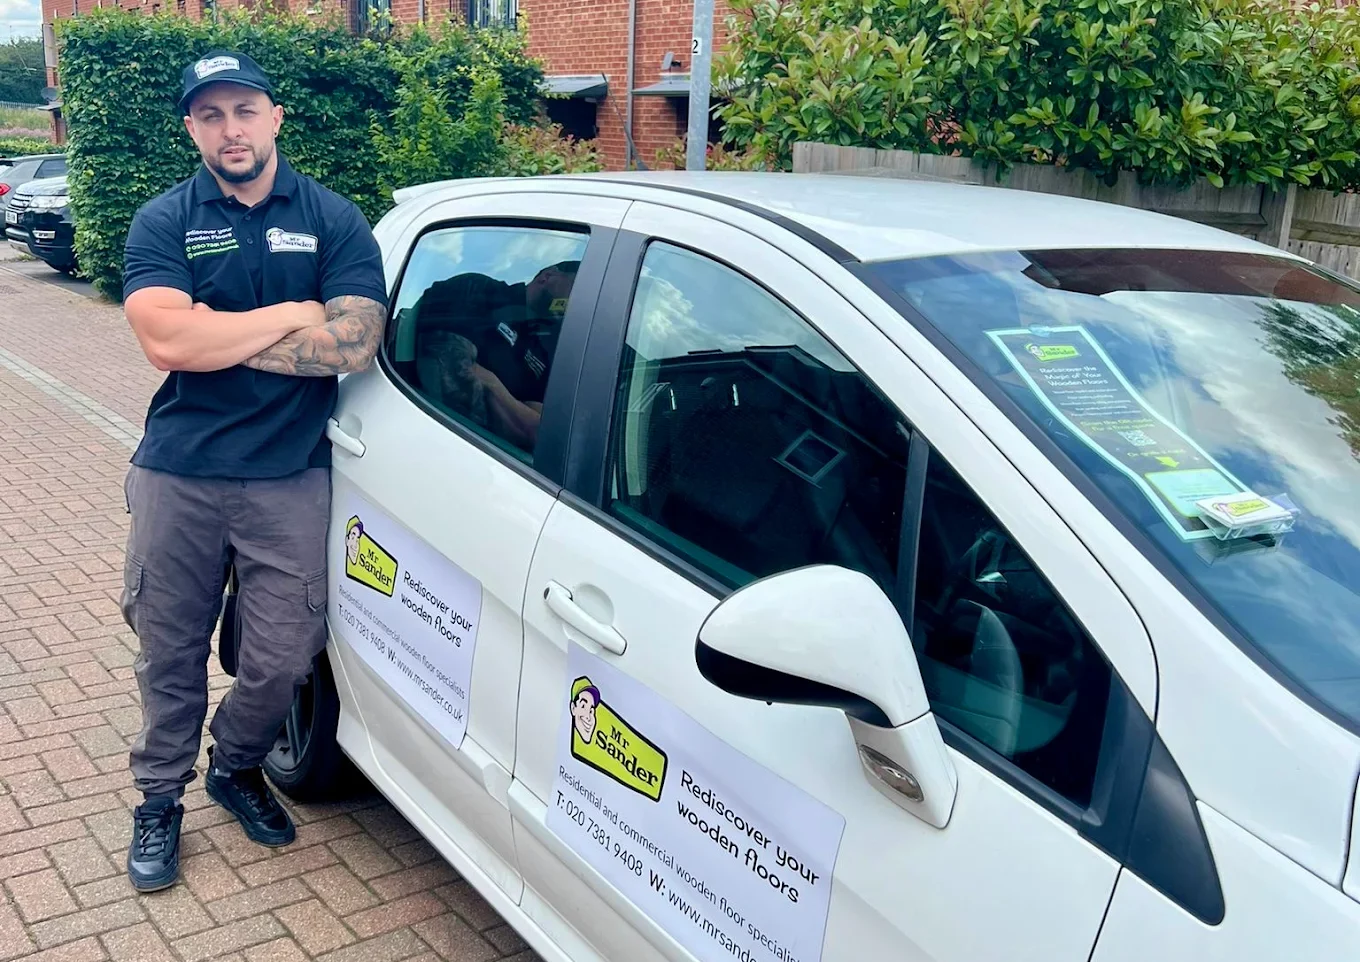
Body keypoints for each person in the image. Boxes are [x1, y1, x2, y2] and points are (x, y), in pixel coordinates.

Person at [118, 50, 389, 893]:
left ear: (275, 117)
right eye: (210, 115)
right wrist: (288, 314)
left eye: (243, 110)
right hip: (180, 470)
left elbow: (354, 343)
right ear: (192, 128)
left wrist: (217, 331)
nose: (229, 129)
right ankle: (159, 799)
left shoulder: (334, 219)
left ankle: (233, 764)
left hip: (289, 476)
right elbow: (167, 342)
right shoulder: (164, 220)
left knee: (282, 654)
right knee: (170, 649)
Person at [410, 260, 579, 451]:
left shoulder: (540, 347)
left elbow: (542, 431)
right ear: (547, 277)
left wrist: (489, 381)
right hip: (435, 441)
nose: (575, 302)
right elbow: (449, 377)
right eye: (575, 289)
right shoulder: (477, 291)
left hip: (503, 463)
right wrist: (518, 409)